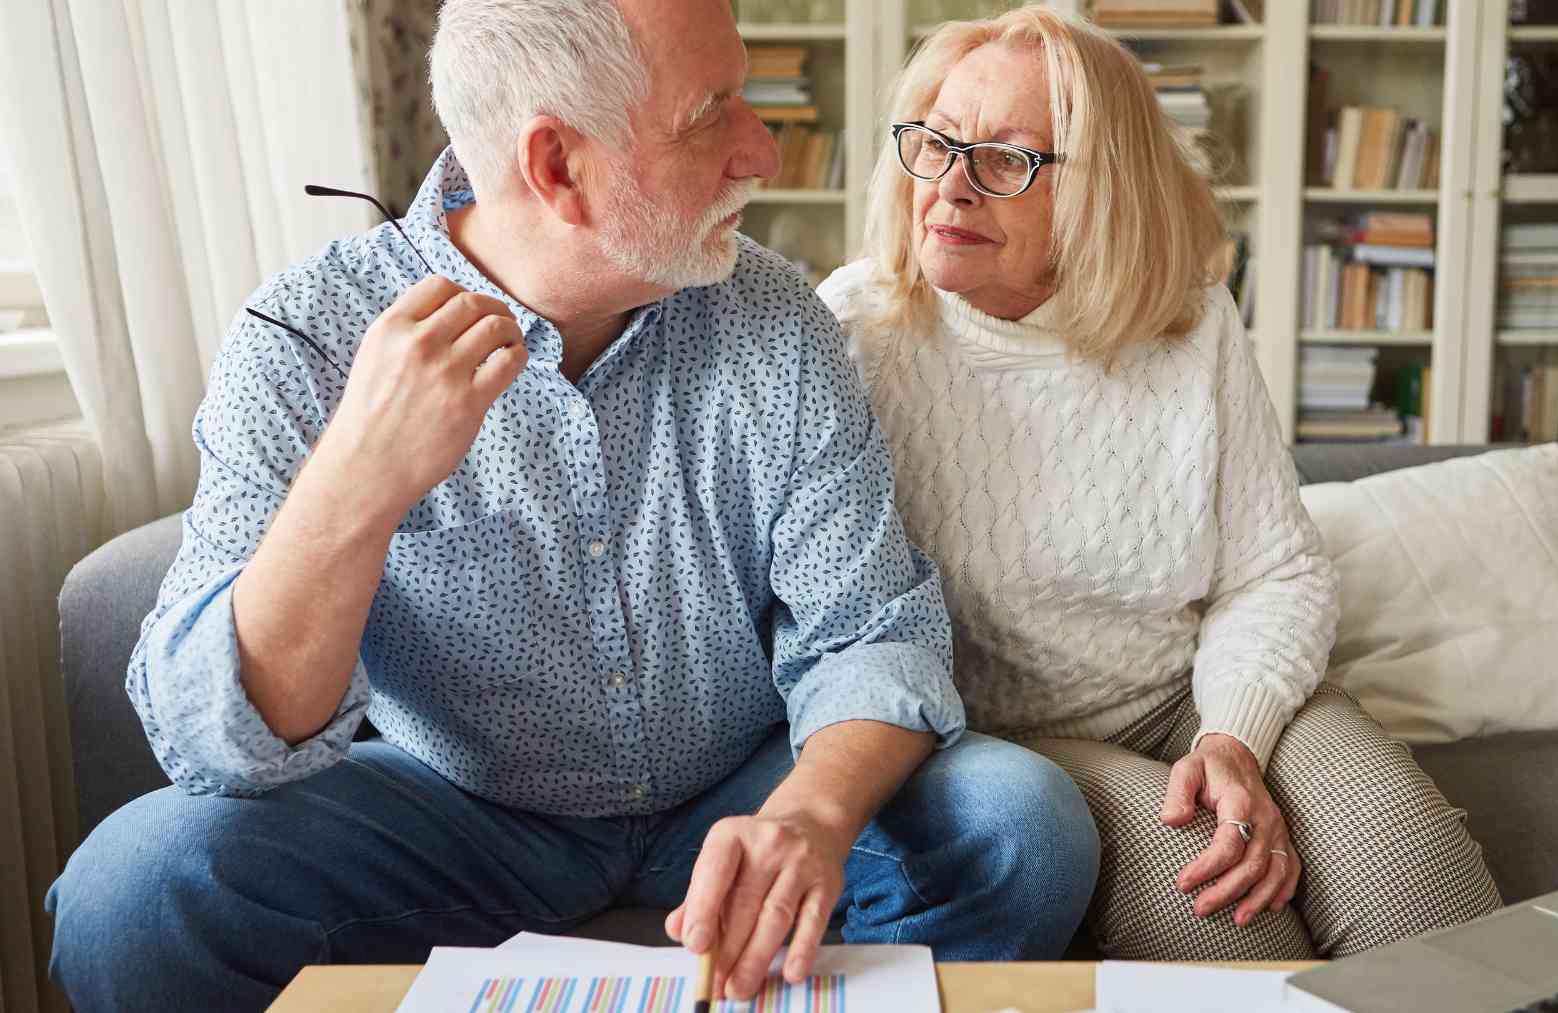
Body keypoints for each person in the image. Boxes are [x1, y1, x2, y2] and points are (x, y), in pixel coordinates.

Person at [44, 2, 1101, 1009]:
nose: (761, 152)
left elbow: (873, 631)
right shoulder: (307, 337)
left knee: (1020, 826)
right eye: (710, 116)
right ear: (557, 165)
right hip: (449, 809)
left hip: (736, 786)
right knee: (132, 898)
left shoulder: (778, 321)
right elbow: (214, 738)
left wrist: (812, 815)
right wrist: (355, 484)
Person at [819, 6, 1502, 962]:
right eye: (935, 142)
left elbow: (1275, 572)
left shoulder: (1191, 321)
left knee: (1417, 881)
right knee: (1233, 918)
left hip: (1188, 694)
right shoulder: (853, 331)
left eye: (1008, 159)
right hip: (1006, 744)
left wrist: (1233, 739)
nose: (952, 186)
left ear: (1101, 191)